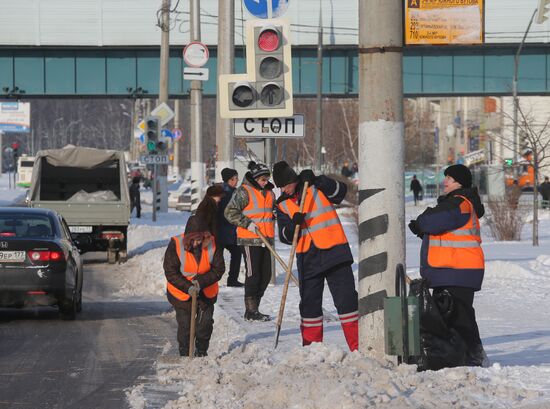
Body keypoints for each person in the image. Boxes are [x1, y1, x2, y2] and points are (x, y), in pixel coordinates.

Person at [273, 161, 358, 351]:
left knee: (347, 301)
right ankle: (311, 349)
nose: (283, 190)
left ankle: (357, 346)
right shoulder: (282, 205)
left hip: (335, 251)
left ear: (292, 180)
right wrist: (292, 225)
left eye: (284, 186)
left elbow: (341, 192)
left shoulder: (315, 187)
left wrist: (321, 180)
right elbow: (285, 237)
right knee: (310, 306)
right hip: (308, 258)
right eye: (280, 188)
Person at [408, 164, 488, 367]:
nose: (445, 182)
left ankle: (473, 355)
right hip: (455, 270)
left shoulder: (459, 203)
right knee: (456, 315)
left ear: (459, 183)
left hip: (458, 269)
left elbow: (430, 221)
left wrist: (420, 223)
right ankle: (463, 355)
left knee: (459, 315)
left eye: (449, 179)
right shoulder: (459, 203)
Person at [163, 214, 225, 357]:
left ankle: (201, 352)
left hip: (206, 291)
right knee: (186, 326)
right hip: (182, 293)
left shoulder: (212, 244)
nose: (198, 243)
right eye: (195, 240)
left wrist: (200, 282)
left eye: (201, 239)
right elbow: (170, 271)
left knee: (205, 325)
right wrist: (188, 286)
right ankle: (185, 354)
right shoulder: (176, 244)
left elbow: (219, 269)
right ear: (188, 237)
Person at [224, 161, 275, 321]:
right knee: (253, 274)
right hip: (249, 239)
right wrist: (248, 224)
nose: (266, 182)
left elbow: (269, 212)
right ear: (255, 179)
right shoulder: (244, 192)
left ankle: (255, 307)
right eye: (263, 180)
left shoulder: (269, 193)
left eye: (267, 179)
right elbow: (229, 212)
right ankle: (250, 311)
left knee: (266, 275)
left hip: (266, 239)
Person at [217, 168, 244, 287]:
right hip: (221, 231)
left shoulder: (234, 192)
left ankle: (232, 280)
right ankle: (213, 281)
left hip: (230, 232)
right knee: (217, 259)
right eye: (235, 178)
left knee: (237, 253)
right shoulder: (223, 193)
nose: (237, 180)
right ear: (230, 180)